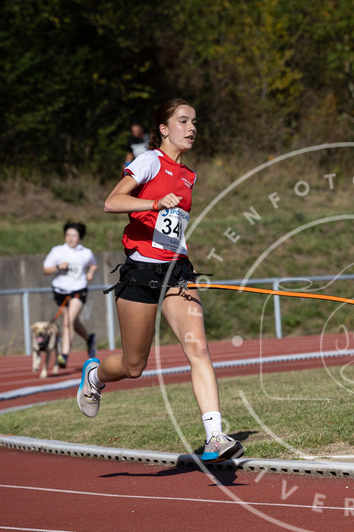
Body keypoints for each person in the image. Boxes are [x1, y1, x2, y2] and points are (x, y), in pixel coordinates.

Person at [77, 98, 243, 462]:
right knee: (133, 367)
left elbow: (173, 231)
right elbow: (111, 202)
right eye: (183, 121)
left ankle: (215, 436)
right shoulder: (149, 161)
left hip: (177, 272)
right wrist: (153, 205)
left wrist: (181, 254)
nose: (192, 127)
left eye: (195, 121)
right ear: (164, 130)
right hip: (141, 273)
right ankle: (95, 375)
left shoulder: (189, 176)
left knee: (198, 348)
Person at [43, 221, 98, 366]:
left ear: (80, 238)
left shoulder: (86, 253)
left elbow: (93, 264)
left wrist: (91, 273)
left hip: (78, 290)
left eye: (74, 235)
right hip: (60, 291)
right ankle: (89, 339)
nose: (71, 238)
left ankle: (64, 355)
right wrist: (57, 267)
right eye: (68, 235)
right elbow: (45, 269)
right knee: (72, 321)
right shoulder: (57, 251)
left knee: (67, 322)